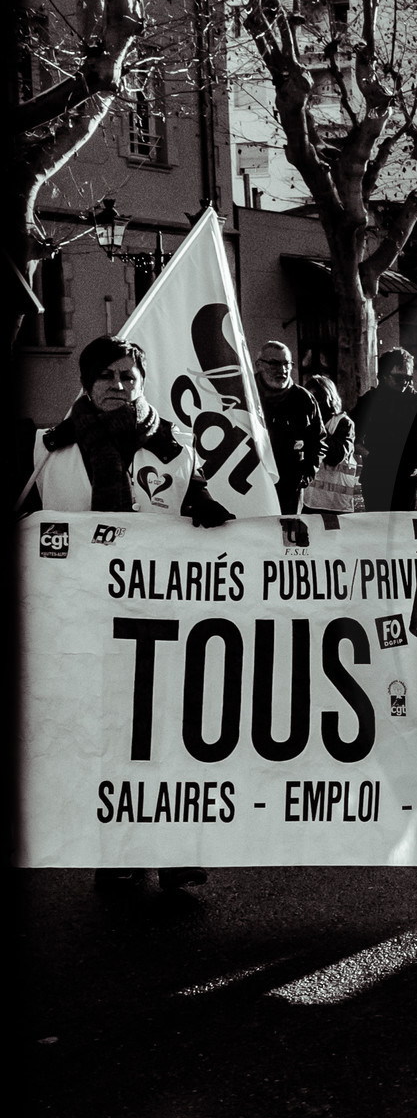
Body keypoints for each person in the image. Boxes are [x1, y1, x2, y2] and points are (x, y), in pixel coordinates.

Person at [20, 335, 234, 894]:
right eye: (107, 376)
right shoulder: (47, 449)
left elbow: (200, 513)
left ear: (143, 383)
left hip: (163, 630)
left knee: (168, 740)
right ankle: (113, 850)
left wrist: (208, 508)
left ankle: (175, 851)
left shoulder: (177, 448)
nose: (118, 386)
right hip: (82, 629)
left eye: (129, 377)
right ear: (86, 384)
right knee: (104, 740)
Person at [353, 348, 417, 512]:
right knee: (377, 529)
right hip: (376, 477)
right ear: (384, 375)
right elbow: (352, 435)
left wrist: (415, 462)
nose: (405, 382)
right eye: (399, 377)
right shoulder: (369, 400)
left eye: (408, 377)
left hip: (405, 479)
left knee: (402, 531)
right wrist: (370, 455)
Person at [255, 339, 326, 514]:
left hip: (289, 486)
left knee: (285, 535)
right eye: (274, 363)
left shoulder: (303, 399)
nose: (282, 370)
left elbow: (318, 441)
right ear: (258, 365)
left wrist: (306, 475)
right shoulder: (245, 394)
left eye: (287, 364)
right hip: (251, 481)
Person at [302, 374, 359, 514]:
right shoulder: (305, 423)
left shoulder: (343, 423)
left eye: (319, 399)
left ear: (330, 398)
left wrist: (317, 428)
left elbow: (336, 455)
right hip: (309, 501)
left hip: (336, 505)